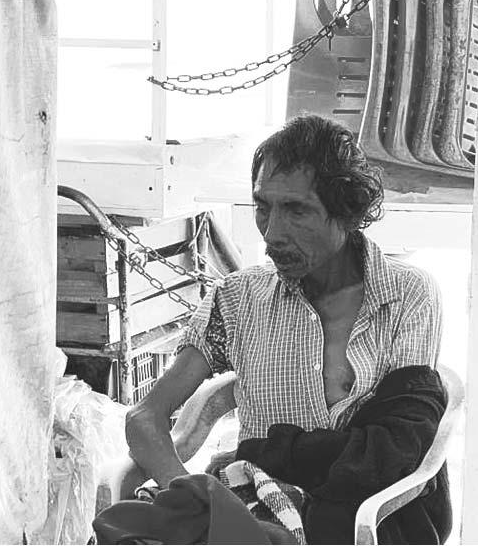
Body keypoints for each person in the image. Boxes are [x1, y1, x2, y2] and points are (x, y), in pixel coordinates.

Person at [122, 114, 447, 543]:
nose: (272, 233)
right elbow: (145, 417)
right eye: (263, 207)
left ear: (346, 211)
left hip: (360, 521)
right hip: (253, 515)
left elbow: (394, 451)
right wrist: (196, 498)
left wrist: (264, 455)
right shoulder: (237, 299)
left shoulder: (407, 296)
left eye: (296, 210)